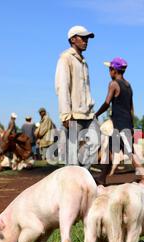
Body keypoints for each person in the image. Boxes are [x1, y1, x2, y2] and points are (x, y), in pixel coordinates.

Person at [94, 57, 144, 186]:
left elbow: (107, 103)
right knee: (110, 150)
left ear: (114, 70)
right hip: (126, 123)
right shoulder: (128, 85)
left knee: (129, 152)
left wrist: (96, 114)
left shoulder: (114, 84)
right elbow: (131, 108)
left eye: (110, 69)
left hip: (119, 124)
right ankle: (102, 178)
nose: (109, 72)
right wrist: (131, 125)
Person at [55, 25, 100, 168]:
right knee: (72, 154)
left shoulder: (84, 62)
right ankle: (72, 184)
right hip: (74, 114)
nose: (86, 41)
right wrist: (66, 114)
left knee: (95, 142)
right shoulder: (65, 58)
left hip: (88, 113)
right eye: (83, 38)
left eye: (87, 38)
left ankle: (83, 175)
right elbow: (62, 87)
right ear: (73, 39)